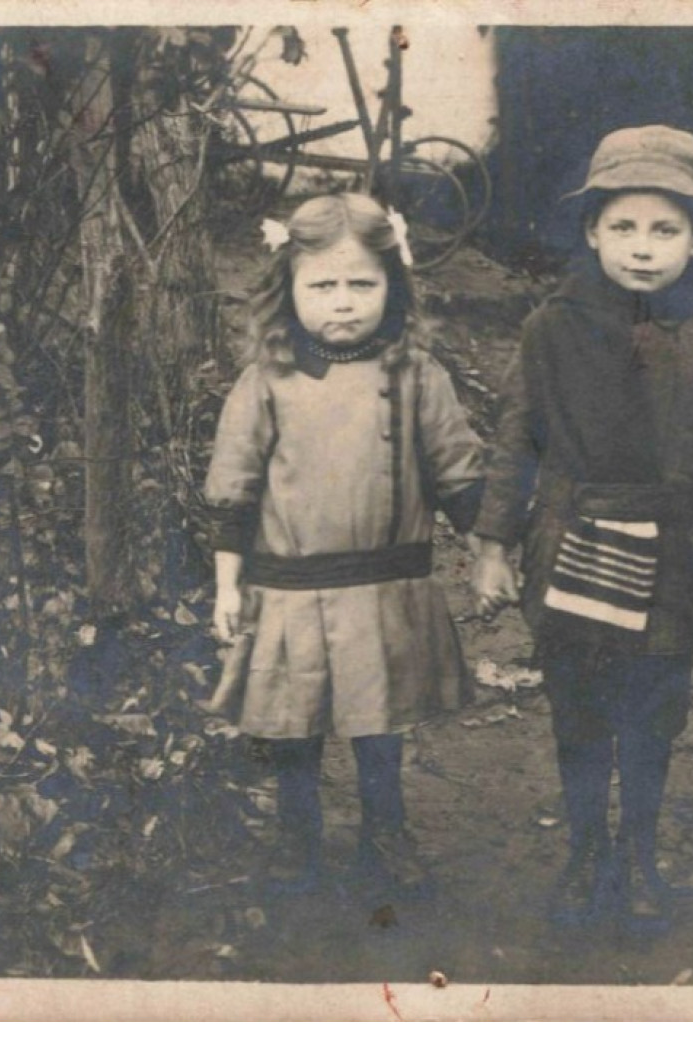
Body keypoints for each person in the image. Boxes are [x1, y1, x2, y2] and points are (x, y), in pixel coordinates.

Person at [470, 125, 693, 928]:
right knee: (577, 707)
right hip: (571, 544)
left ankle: (637, 853)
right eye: (623, 227)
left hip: (674, 553)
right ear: (592, 231)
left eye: (665, 230)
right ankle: (583, 849)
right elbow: (515, 439)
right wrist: (492, 545)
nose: (642, 249)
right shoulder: (550, 329)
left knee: (651, 708)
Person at [203, 193, 485, 899]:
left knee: (377, 724)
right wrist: (227, 585)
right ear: (287, 290)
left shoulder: (416, 377)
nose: (342, 303)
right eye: (321, 285)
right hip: (290, 585)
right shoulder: (264, 382)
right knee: (293, 726)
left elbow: (457, 473)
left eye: (362, 284)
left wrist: (490, 550)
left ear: (393, 287)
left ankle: (383, 836)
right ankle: (296, 840)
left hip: (382, 586)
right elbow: (232, 489)